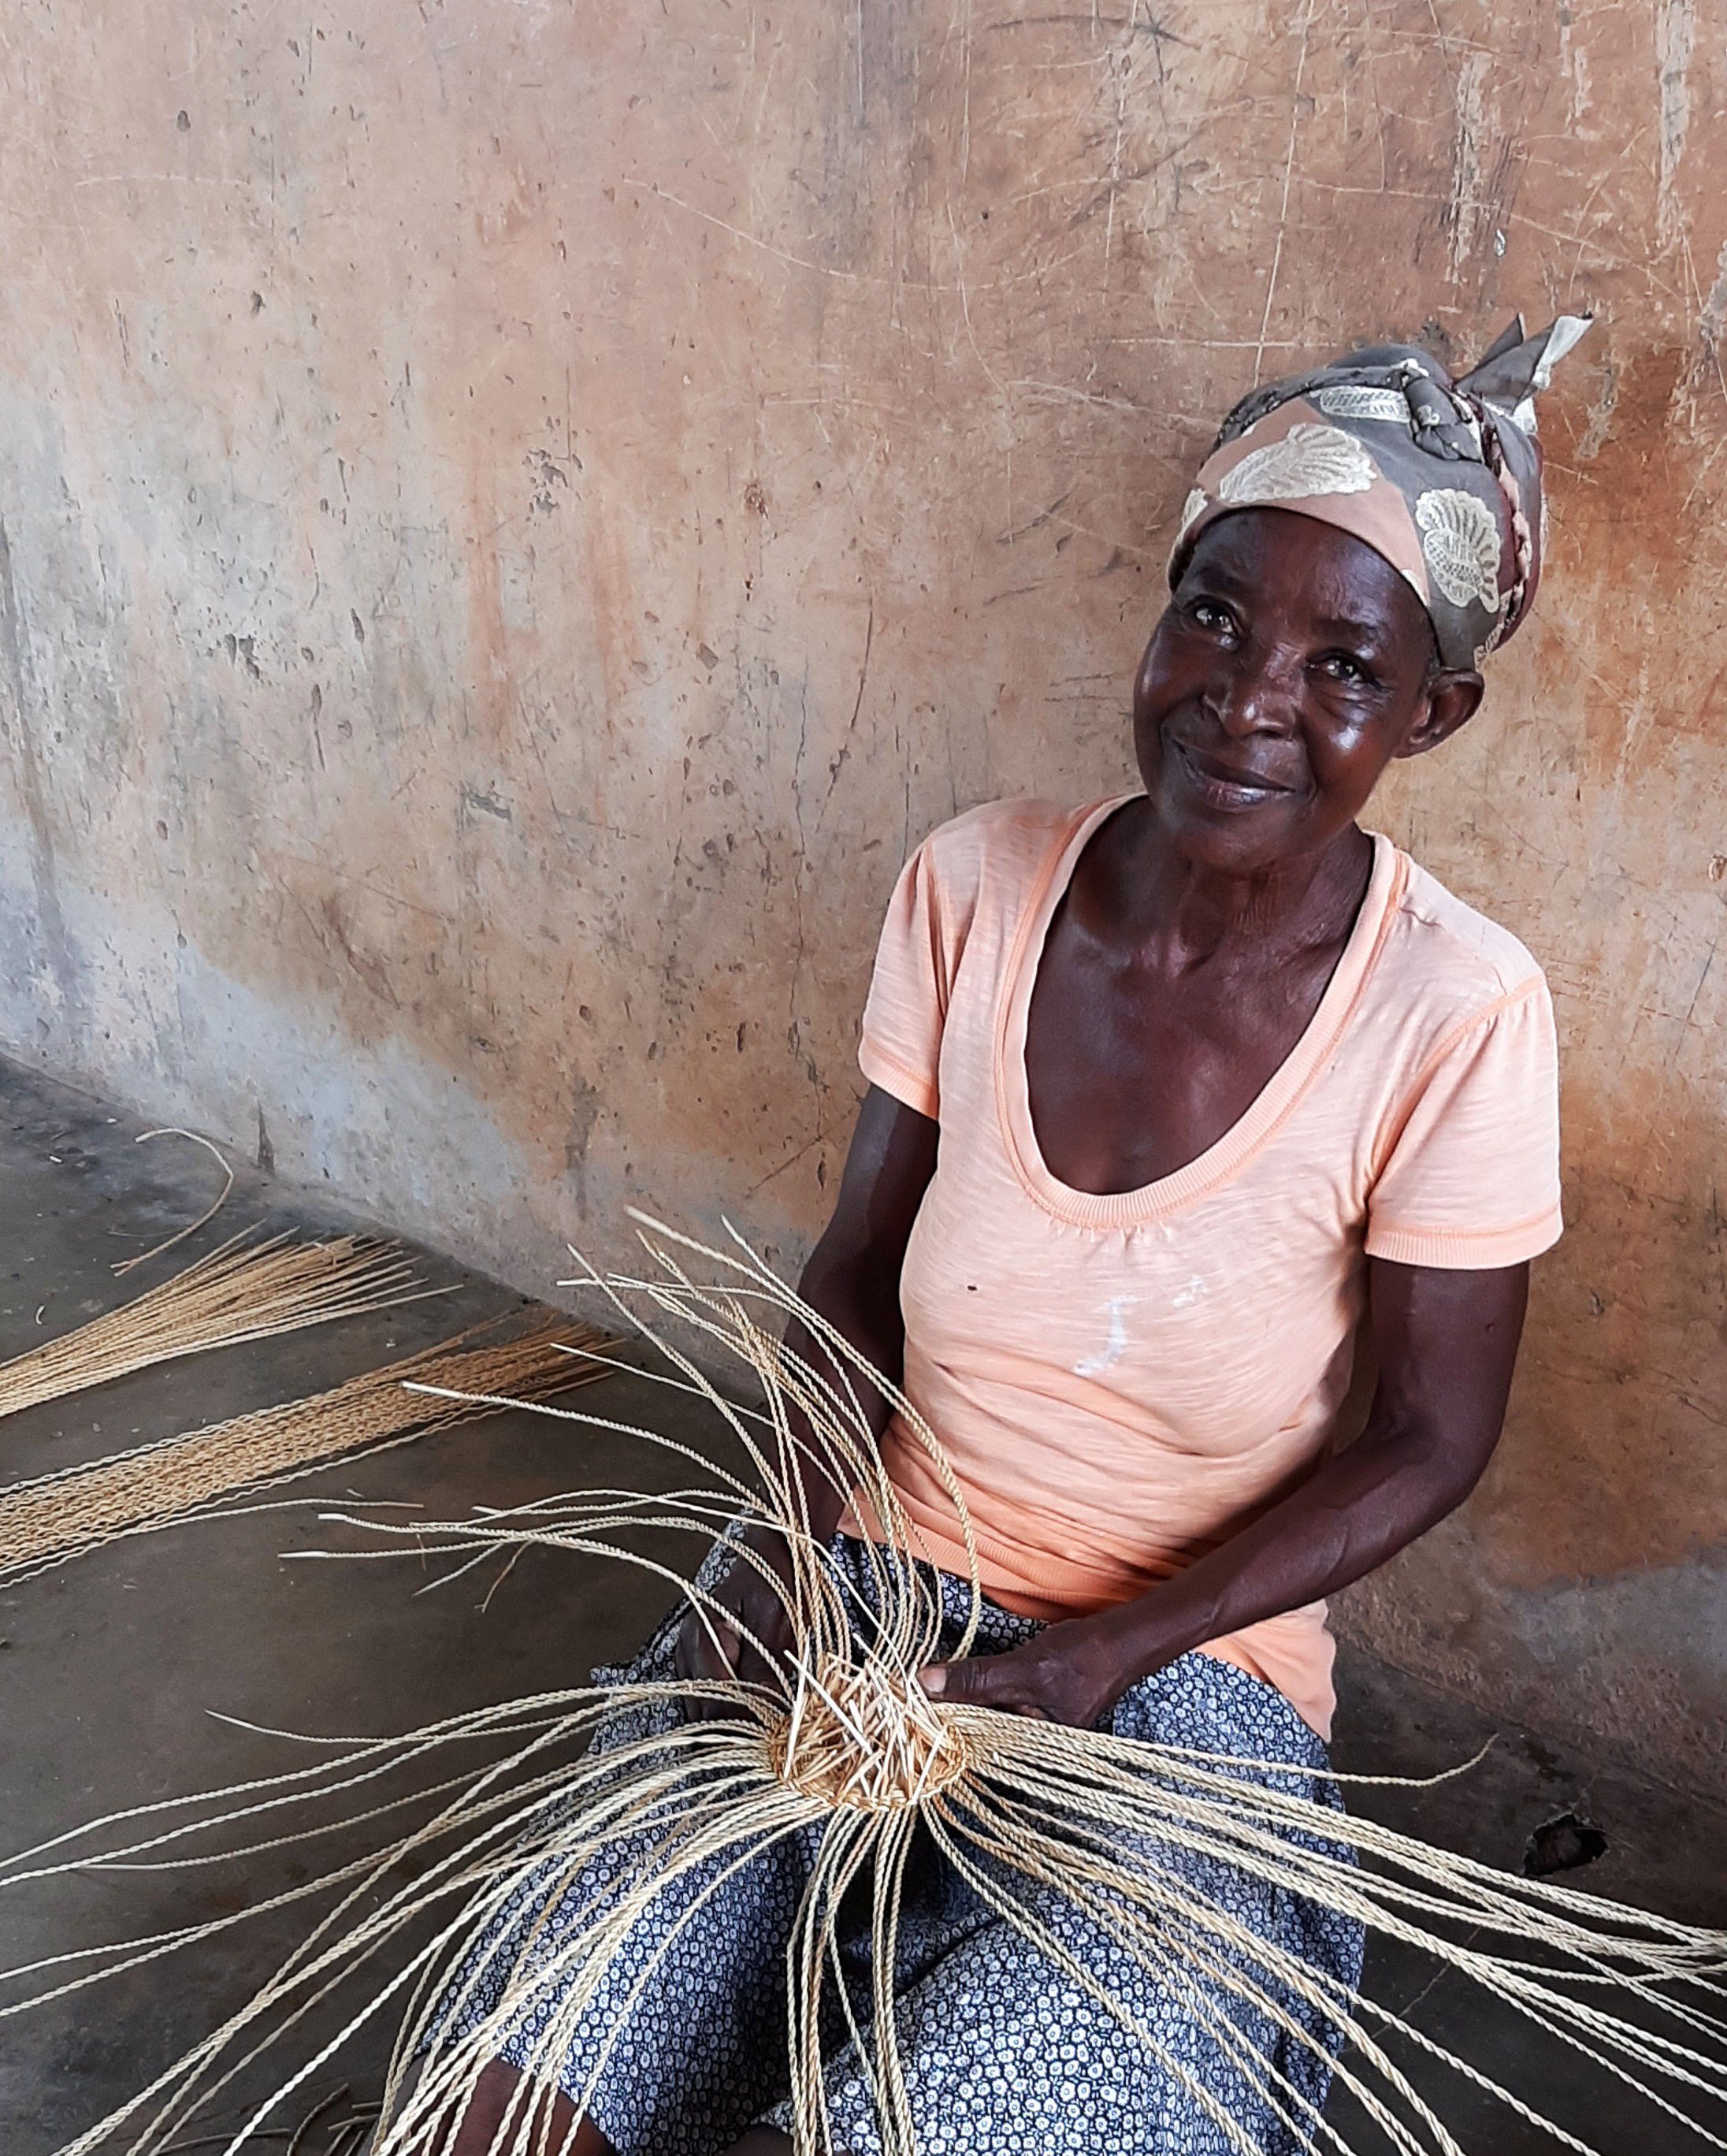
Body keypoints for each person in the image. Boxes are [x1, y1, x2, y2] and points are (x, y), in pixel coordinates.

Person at [435, 314, 1588, 2155]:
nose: (1247, 696)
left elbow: (1430, 1439)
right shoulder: (973, 881)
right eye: (1211, 614)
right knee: (538, 2057)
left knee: (966, 2102)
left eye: (1341, 663)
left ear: (1427, 713)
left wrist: (1093, 1660)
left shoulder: (1457, 1008)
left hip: (1182, 1674)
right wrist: (786, 1537)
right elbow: (858, 1275)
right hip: (871, 1591)